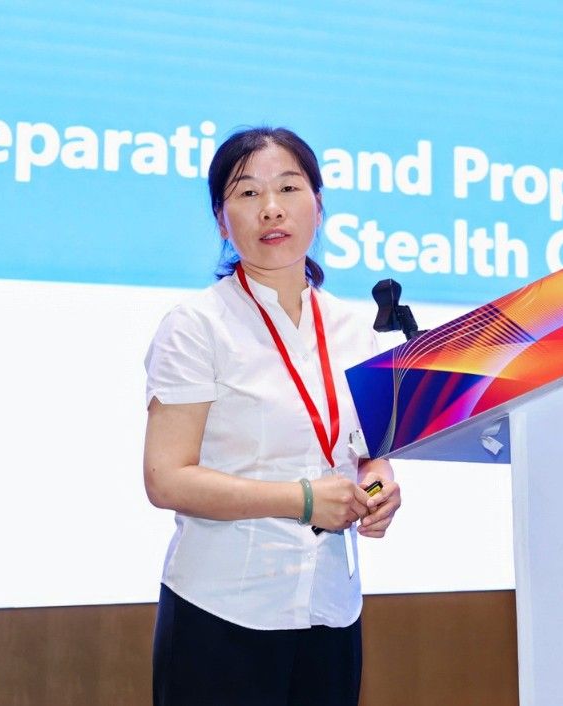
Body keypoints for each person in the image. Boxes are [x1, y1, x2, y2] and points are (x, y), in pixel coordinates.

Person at [143, 126, 400, 706]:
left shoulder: (354, 329)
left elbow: (366, 455)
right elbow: (166, 478)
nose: (272, 209)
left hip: (330, 608)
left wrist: (378, 488)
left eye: (288, 187)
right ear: (221, 220)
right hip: (223, 613)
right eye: (248, 193)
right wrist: (303, 500)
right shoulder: (196, 326)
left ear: (318, 204)